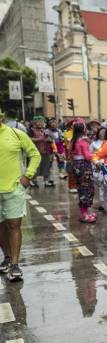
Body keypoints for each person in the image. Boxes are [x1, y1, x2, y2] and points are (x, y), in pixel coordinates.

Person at [0, 110, 41, 281]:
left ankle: (15, 264)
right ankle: (7, 257)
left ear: (1, 118)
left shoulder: (16, 134)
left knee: (14, 225)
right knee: (1, 226)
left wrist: (28, 176)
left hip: (13, 188)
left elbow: (35, 154)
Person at [70, 122, 96, 223]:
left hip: (76, 165)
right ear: (84, 130)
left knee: (81, 188)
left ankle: (84, 213)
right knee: (87, 189)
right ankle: (85, 215)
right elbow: (87, 156)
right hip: (84, 166)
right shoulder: (83, 141)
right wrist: (96, 155)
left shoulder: (73, 140)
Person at [29, 116, 54, 187]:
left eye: (42, 122)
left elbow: (51, 139)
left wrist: (49, 139)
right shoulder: (31, 130)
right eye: (39, 122)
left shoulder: (45, 130)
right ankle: (33, 181)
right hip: (36, 152)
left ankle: (46, 181)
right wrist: (40, 139)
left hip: (45, 151)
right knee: (36, 167)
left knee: (46, 166)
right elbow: (29, 139)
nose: (41, 123)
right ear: (34, 123)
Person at [90, 125, 107, 211]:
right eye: (101, 131)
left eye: (105, 131)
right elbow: (91, 155)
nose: (103, 133)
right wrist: (95, 164)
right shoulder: (94, 143)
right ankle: (103, 203)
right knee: (100, 185)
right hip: (97, 166)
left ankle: (106, 203)